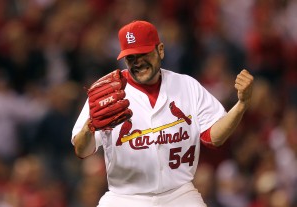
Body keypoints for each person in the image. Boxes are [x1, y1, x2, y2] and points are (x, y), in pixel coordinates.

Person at [71, 20, 254, 207]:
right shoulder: (108, 91)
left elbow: (214, 137)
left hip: (179, 194)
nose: (138, 62)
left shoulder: (187, 86)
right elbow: (82, 150)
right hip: (124, 197)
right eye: (131, 57)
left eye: (144, 54)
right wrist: (90, 126)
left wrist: (241, 104)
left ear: (160, 50)